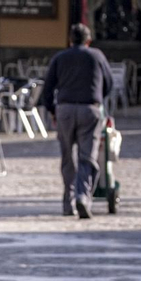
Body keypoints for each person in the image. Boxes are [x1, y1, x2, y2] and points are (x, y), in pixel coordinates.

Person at [41, 23, 114, 218]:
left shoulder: (60, 58)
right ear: (88, 41)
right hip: (89, 109)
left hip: (64, 109)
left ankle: (68, 201)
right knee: (86, 156)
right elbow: (109, 83)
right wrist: (97, 97)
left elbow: (47, 89)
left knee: (67, 156)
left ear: (70, 40)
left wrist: (52, 110)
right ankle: (83, 196)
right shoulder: (97, 56)